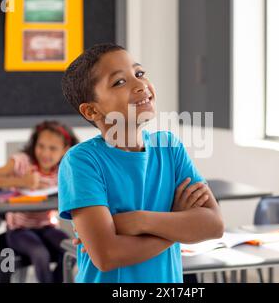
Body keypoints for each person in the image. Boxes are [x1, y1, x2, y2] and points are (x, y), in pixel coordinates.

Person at [59, 43, 224, 283]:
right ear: (92, 111)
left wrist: (138, 220)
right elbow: (107, 255)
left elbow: (213, 225)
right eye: (119, 82)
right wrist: (176, 222)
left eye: (139, 73)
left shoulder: (169, 147)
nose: (140, 85)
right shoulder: (81, 162)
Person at [0, 120, 79, 283]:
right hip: (19, 230)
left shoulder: (64, 167)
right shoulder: (22, 162)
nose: (45, 153)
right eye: (41, 146)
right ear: (34, 144)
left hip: (48, 227)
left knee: (73, 250)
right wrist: (22, 181)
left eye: (53, 148)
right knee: (40, 253)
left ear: (65, 150)